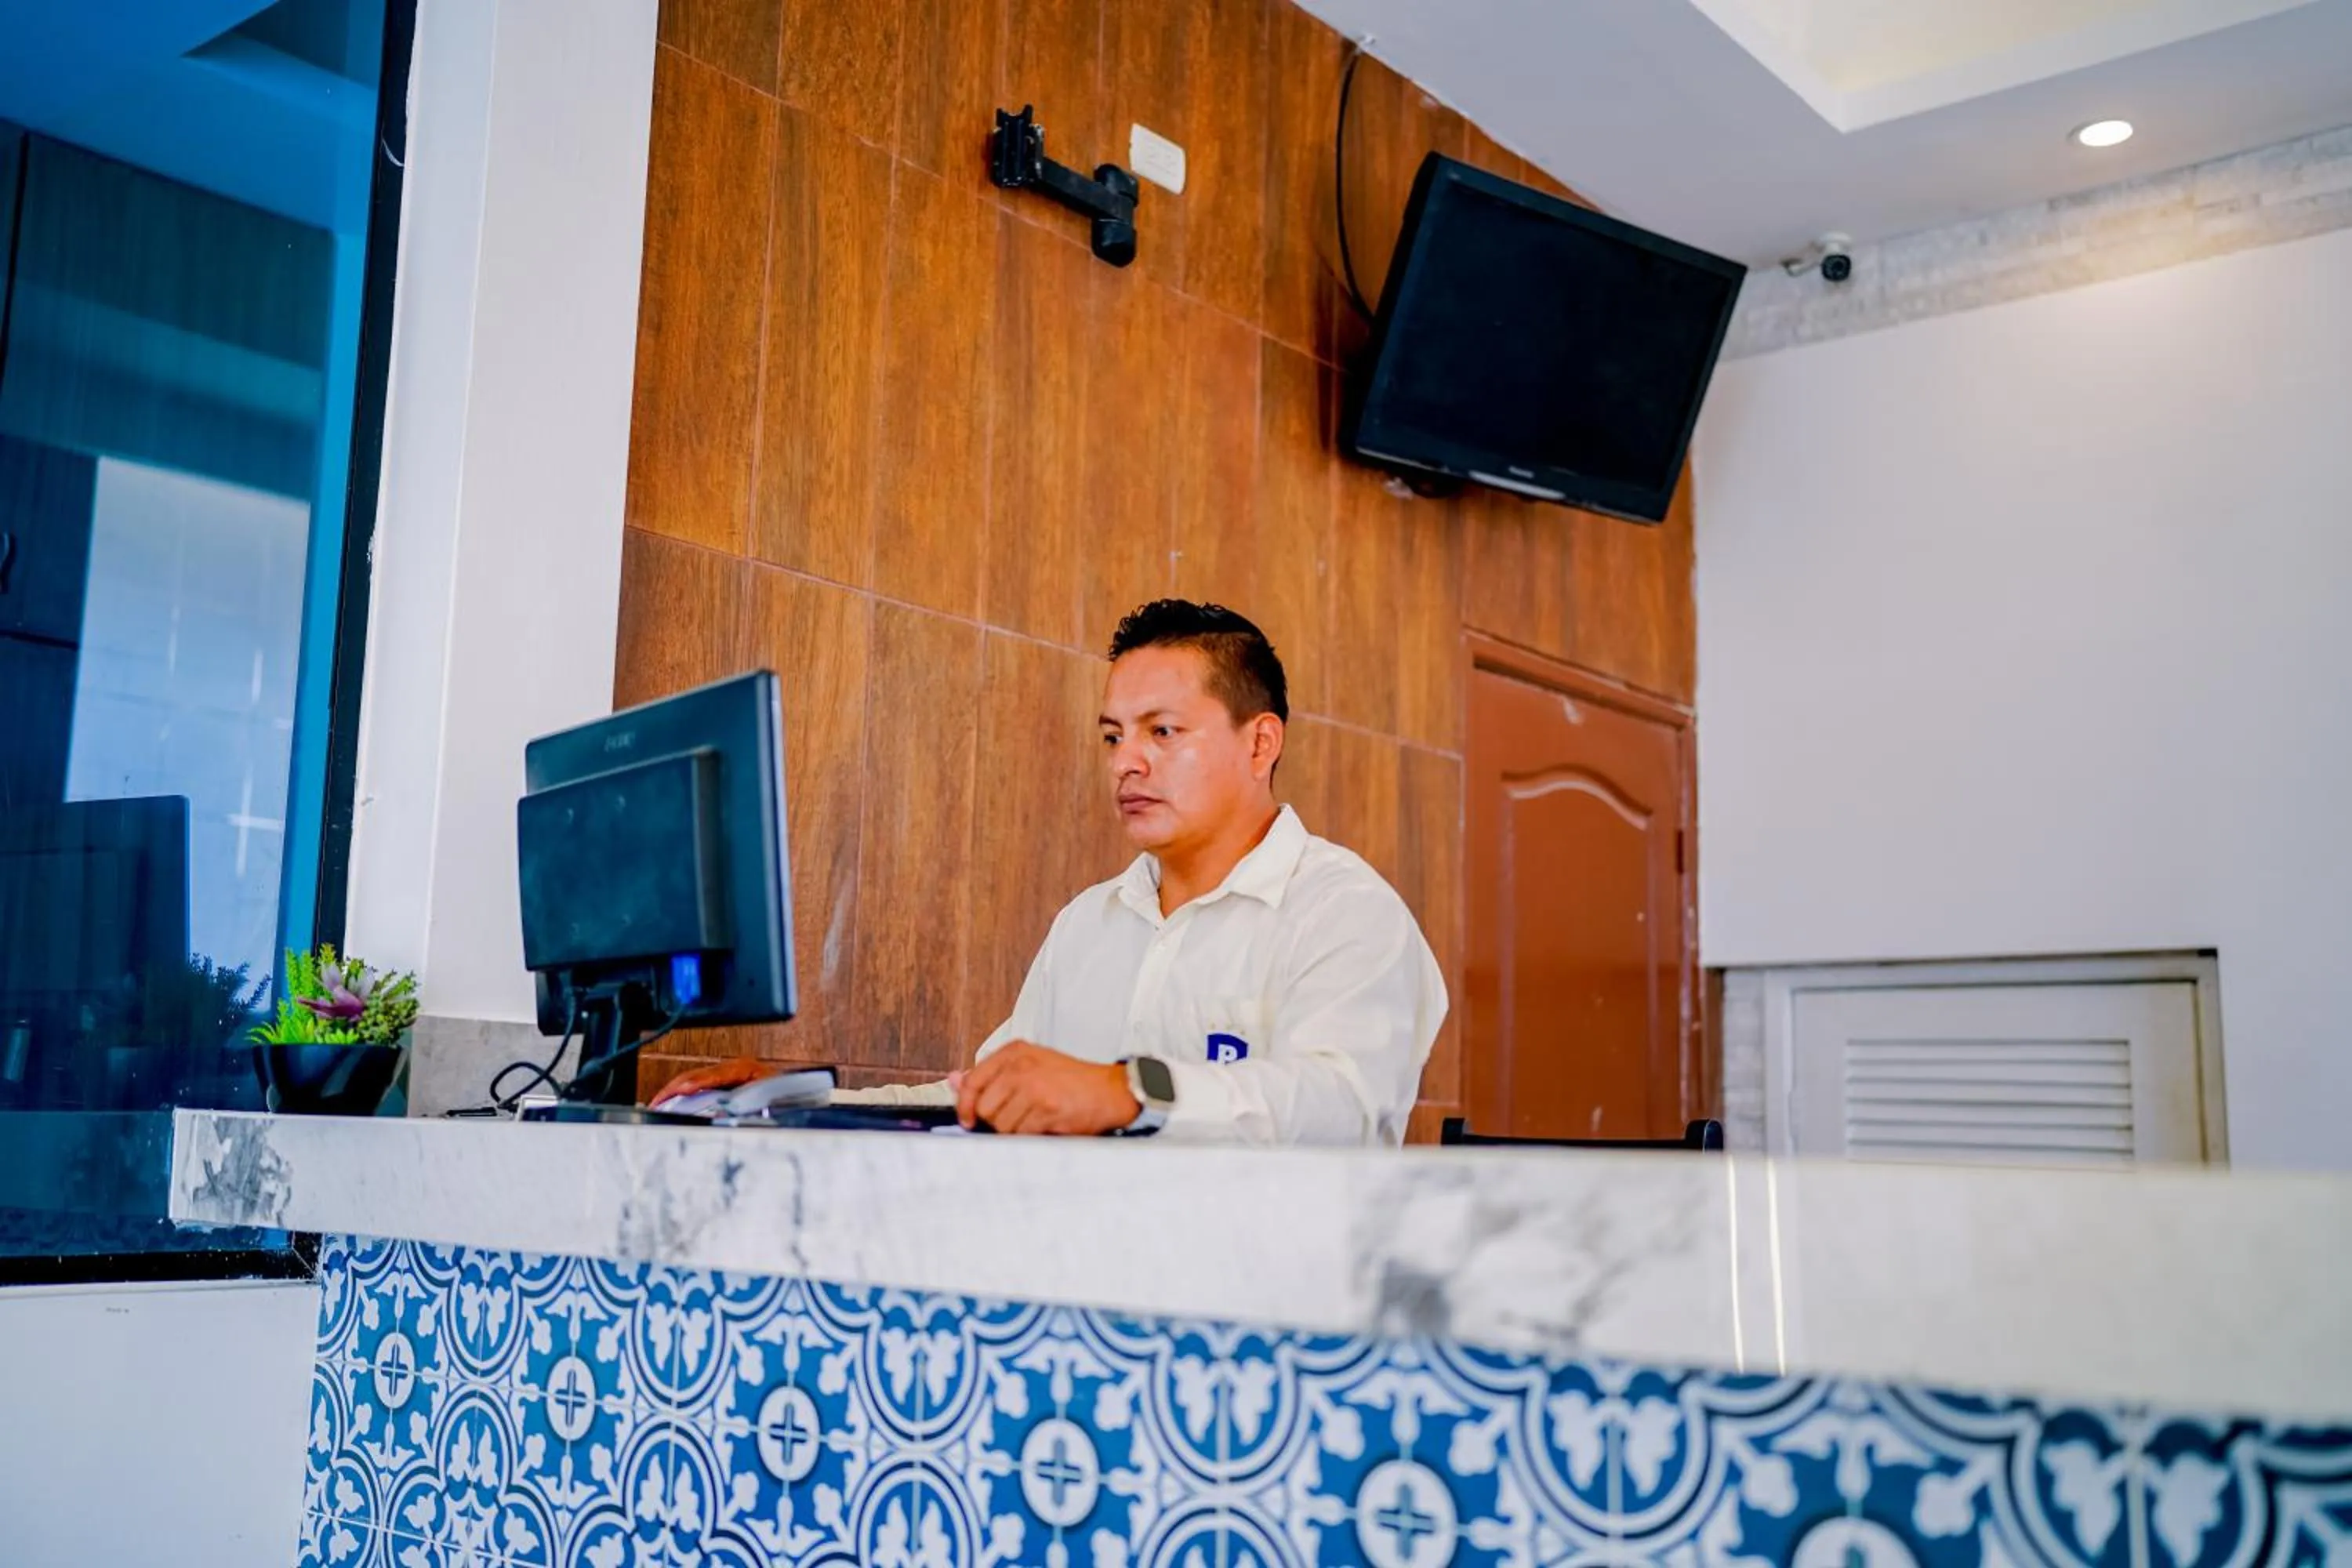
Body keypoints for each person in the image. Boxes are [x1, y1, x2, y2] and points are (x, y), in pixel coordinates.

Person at [653, 600, 1446, 1145]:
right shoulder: (1089, 922)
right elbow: (983, 1096)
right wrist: (791, 1101)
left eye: (1163, 731)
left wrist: (1129, 1091)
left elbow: (1342, 1107)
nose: (1127, 762)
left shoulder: (1346, 912)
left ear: (1260, 742)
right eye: (1113, 737)